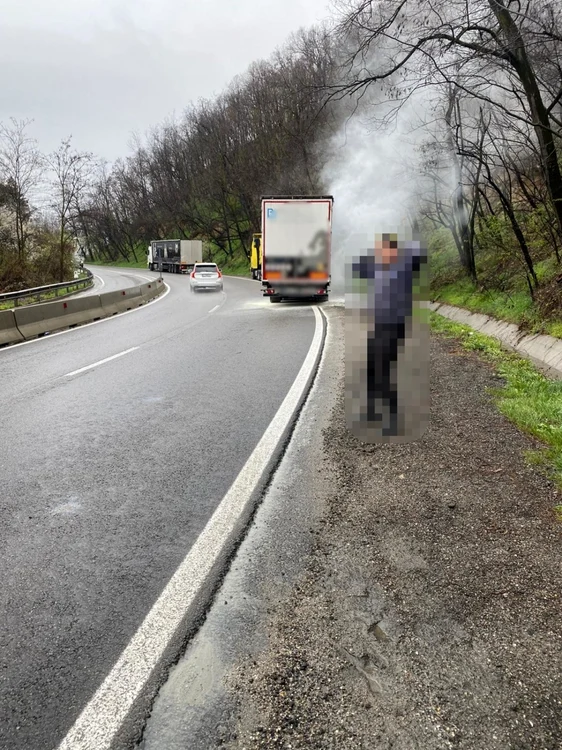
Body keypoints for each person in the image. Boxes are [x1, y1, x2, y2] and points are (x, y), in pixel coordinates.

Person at [352, 232, 425, 434]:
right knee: (371, 367)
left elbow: (419, 252)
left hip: (395, 326)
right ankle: (372, 411)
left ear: (394, 250)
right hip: (378, 325)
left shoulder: (404, 267)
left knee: (383, 368)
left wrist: (402, 250)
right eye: (378, 250)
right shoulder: (376, 267)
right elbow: (357, 268)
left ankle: (392, 417)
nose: (380, 253)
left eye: (384, 249)